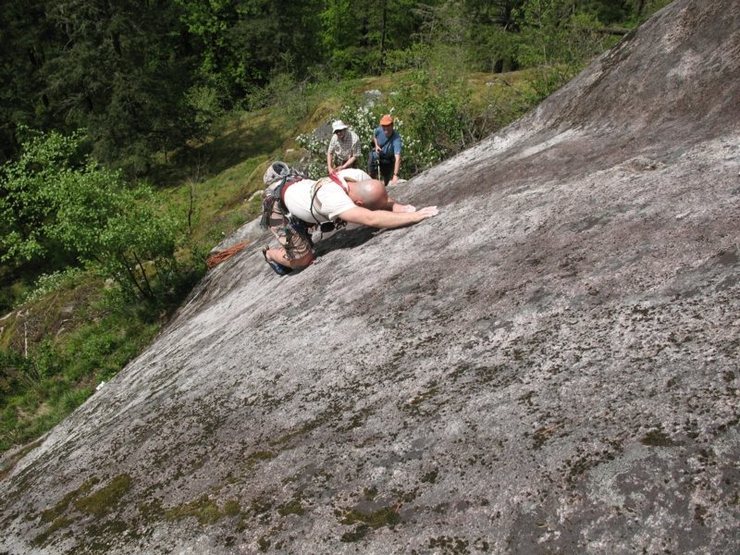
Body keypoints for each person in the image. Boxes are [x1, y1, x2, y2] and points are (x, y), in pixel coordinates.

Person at [260, 161, 438, 275]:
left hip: (297, 190)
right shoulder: (333, 198)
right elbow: (371, 218)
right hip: (276, 203)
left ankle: (301, 225)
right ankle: (270, 254)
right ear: (359, 203)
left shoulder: (355, 175)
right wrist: (414, 217)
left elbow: (378, 197)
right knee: (303, 259)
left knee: (305, 231)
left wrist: (398, 208)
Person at [368, 114, 402, 186]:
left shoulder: (396, 139)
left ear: (392, 125)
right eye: (384, 126)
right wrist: (376, 145)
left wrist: (395, 175)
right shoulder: (379, 130)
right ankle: (372, 183)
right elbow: (374, 136)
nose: (385, 128)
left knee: (386, 177)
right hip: (378, 153)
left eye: (388, 125)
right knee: (372, 160)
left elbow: (398, 158)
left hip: (388, 158)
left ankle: (385, 185)